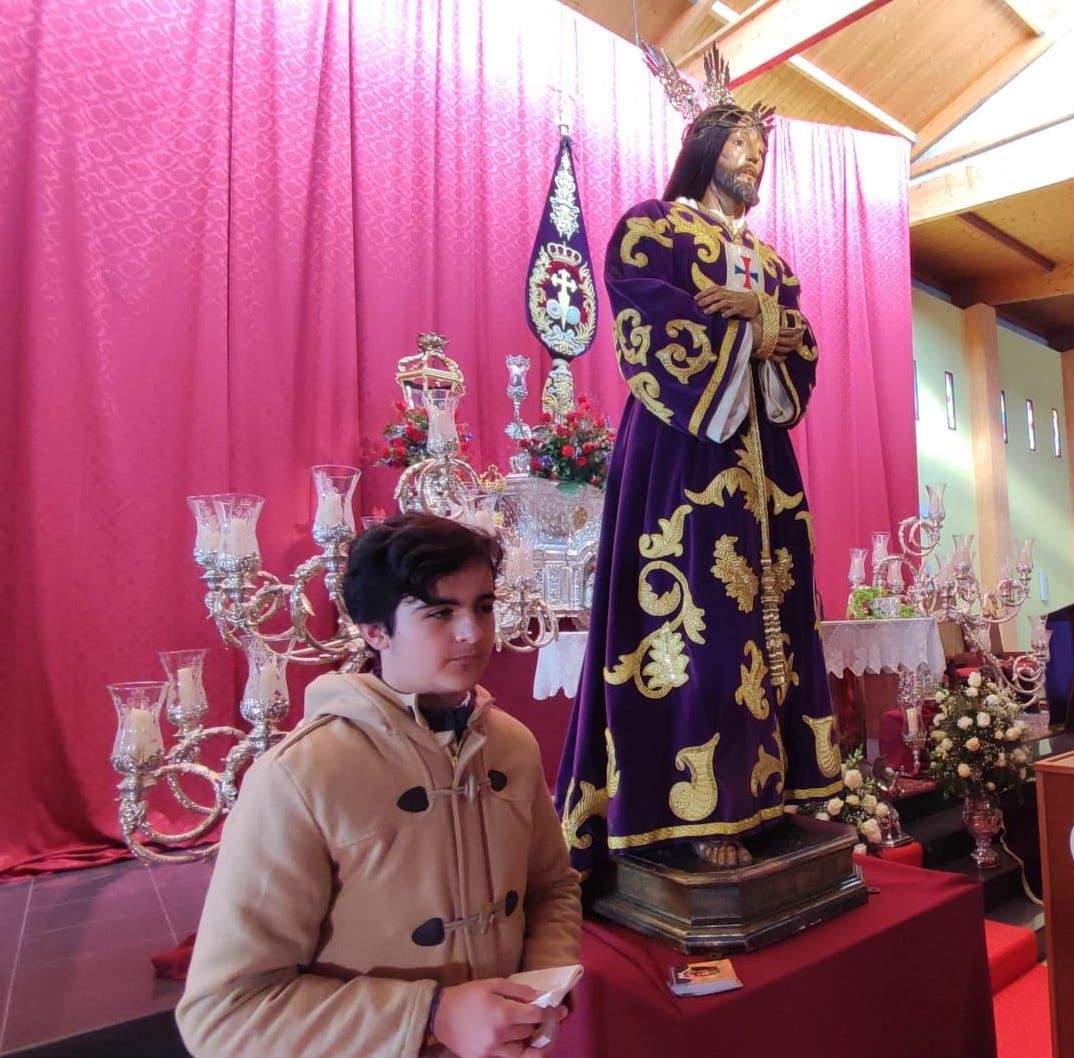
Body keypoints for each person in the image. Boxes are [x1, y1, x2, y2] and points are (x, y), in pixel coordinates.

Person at [554, 45, 842, 872]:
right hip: (684, 450)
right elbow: (648, 322)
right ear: (704, 148)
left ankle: (772, 795)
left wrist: (761, 315)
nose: (753, 159)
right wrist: (751, 325)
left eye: (760, 147)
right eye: (739, 144)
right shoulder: (652, 227)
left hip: (765, 466)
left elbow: (801, 342)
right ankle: (694, 810)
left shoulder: (773, 262)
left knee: (775, 620)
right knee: (699, 623)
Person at [177, 514, 582, 1058]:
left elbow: (551, 890)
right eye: (440, 612)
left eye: (483, 606)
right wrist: (432, 1015)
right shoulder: (301, 774)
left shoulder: (512, 745)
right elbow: (224, 1013)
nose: (473, 632)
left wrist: (540, 988)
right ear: (374, 630)